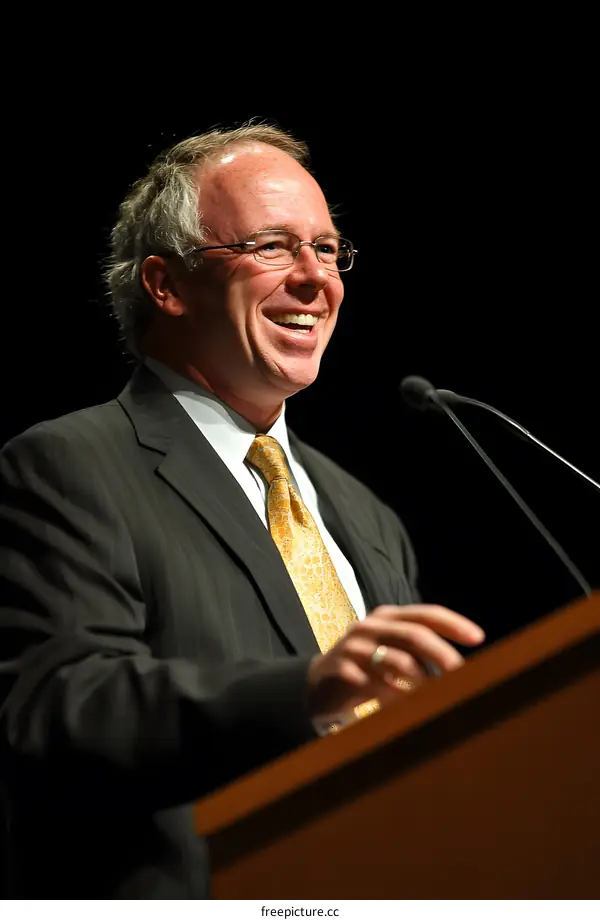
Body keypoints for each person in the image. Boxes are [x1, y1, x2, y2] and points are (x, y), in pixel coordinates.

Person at [0, 122, 485, 898]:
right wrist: (307, 692)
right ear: (166, 283)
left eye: (326, 250)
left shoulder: (366, 516)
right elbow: (62, 706)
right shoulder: (71, 466)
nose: (314, 279)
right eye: (271, 246)